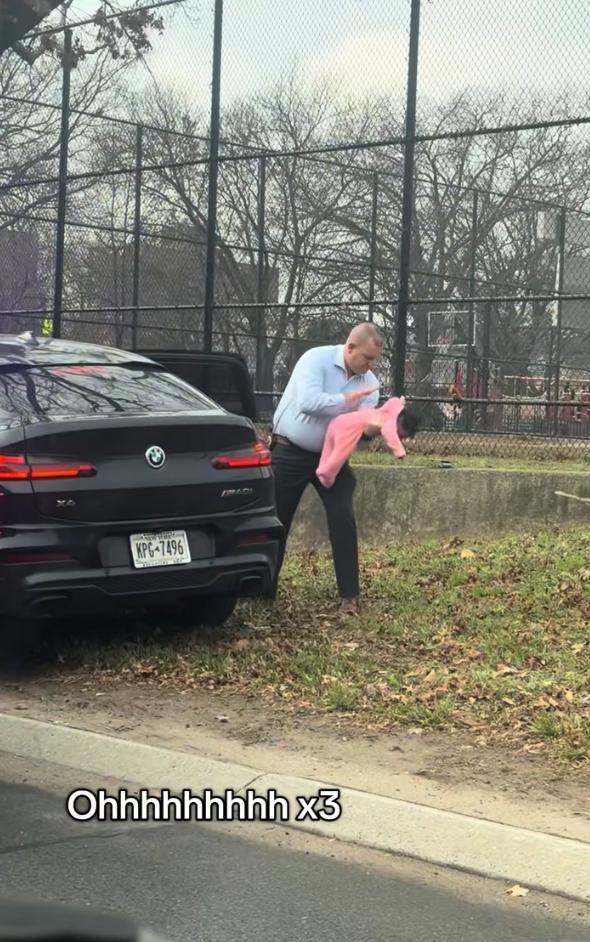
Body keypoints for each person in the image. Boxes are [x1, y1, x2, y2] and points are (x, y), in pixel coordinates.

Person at [269, 322, 417, 616]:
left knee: (343, 519)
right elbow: (308, 403)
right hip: (289, 451)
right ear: (349, 348)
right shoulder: (315, 359)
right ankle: (263, 590)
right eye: (366, 358)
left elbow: (357, 435)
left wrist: (373, 430)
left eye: (375, 360)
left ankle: (349, 598)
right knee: (276, 522)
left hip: (332, 457)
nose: (370, 366)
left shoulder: (370, 384)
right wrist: (348, 403)